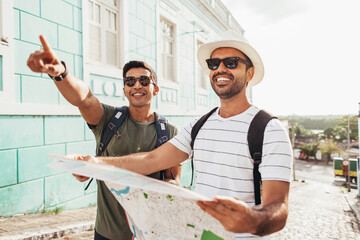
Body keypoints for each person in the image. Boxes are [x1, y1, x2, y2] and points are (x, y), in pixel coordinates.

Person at [81, 31, 292, 239]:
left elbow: (279, 209)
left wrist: (253, 220)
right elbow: (151, 159)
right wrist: (97, 163)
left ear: (250, 73)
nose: (220, 69)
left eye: (231, 62)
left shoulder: (269, 130)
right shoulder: (199, 125)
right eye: (213, 64)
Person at [26, 35, 181, 240]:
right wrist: (61, 74)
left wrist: (164, 190)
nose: (137, 85)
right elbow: (84, 98)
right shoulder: (109, 119)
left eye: (144, 80)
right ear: (124, 89)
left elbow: (175, 181)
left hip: (150, 234)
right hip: (107, 233)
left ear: (155, 89)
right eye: (130, 81)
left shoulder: (169, 132)